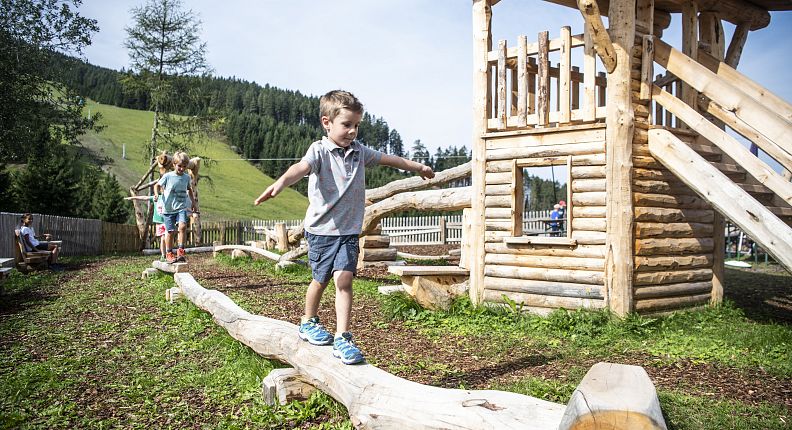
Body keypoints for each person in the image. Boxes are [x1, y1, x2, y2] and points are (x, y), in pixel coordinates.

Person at [253, 90, 434, 365]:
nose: (352, 131)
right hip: (321, 231)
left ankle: (343, 336)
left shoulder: (359, 152)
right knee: (321, 279)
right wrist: (279, 183)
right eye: (346, 124)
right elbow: (299, 168)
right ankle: (308, 322)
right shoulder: (319, 151)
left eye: (356, 125)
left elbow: (390, 160)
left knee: (345, 280)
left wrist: (417, 166)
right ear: (327, 122)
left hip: (348, 231)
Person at [154, 151, 197, 264]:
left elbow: (189, 190)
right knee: (170, 231)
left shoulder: (186, 177)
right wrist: (156, 194)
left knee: (182, 226)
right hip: (168, 209)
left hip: (181, 208)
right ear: (174, 164)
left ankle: (181, 251)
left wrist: (193, 202)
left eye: (184, 166)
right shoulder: (168, 176)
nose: (182, 168)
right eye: (179, 166)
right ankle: (169, 253)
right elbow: (157, 185)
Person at [125, 195, 168, 261]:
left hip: (168, 220)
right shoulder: (156, 198)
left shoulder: (169, 196)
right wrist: (133, 198)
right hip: (160, 222)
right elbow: (144, 197)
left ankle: (167, 254)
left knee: (166, 237)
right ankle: (164, 255)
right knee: (163, 238)